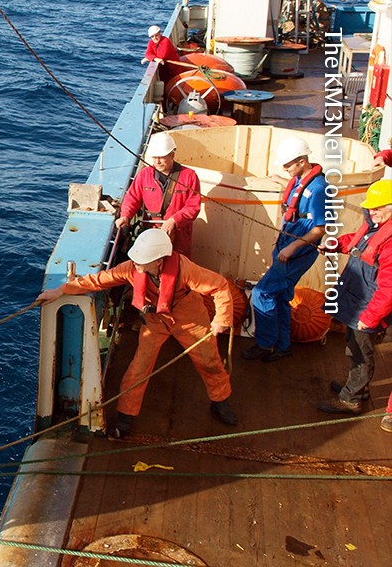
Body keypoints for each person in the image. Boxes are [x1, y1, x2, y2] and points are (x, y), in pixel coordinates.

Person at [34, 229, 237, 437]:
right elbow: (99, 280)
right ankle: (126, 415)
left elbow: (219, 287)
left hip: (190, 319)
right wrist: (62, 290)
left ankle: (220, 401)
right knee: (139, 367)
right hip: (155, 322)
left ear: (159, 261)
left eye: (142, 260)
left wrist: (221, 319)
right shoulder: (131, 268)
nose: (136, 263)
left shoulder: (185, 269)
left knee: (209, 362)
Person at [242, 137, 327, 362]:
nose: (285, 168)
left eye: (288, 165)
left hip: (295, 254)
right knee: (280, 297)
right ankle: (283, 345)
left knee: (263, 293)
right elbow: (294, 194)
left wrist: (291, 249)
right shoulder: (300, 179)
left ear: (301, 162)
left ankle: (265, 344)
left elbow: (319, 229)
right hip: (286, 247)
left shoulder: (319, 190)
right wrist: (279, 180)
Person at [318, 180, 392, 432]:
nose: (372, 212)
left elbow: (389, 288)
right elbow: (358, 242)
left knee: (360, 351)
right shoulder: (377, 227)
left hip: (367, 306)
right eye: (370, 208)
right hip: (358, 300)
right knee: (353, 345)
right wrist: (335, 244)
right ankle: (358, 388)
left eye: (378, 208)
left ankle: (351, 399)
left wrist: (370, 318)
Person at [114, 132, 202, 256]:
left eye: (161, 157)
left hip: (178, 236)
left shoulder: (189, 176)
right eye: (154, 157)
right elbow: (132, 198)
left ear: (172, 155)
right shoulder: (144, 175)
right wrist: (125, 216)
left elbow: (193, 207)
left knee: (176, 270)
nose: (157, 161)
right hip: (150, 232)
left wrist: (174, 220)